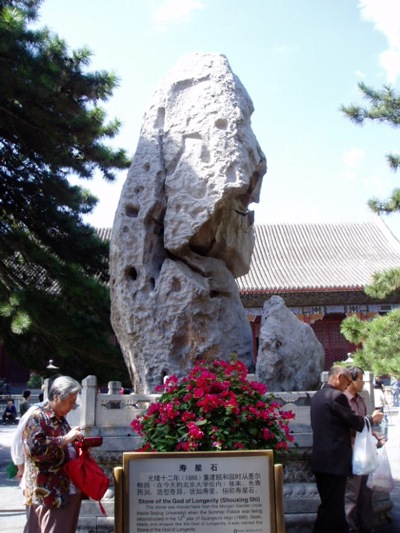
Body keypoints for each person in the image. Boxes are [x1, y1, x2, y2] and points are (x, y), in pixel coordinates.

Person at [311, 365, 384, 533]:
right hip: (335, 462)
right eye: (347, 381)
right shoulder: (336, 396)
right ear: (339, 377)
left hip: (320, 460)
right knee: (332, 508)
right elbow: (355, 422)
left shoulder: (317, 396)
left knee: (330, 505)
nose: (347, 385)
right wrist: (371, 419)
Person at [22, 376, 84, 533]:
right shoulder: (38, 417)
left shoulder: (60, 419)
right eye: (70, 401)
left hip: (64, 490)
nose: (72, 406)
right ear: (56, 397)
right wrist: (64, 440)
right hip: (49, 492)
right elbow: (35, 449)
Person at [344, 367, 385, 533]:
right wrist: (370, 420)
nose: (362, 383)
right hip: (352, 452)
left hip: (365, 453)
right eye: (360, 379)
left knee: (366, 494)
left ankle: (367, 527)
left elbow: (364, 426)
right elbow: (351, 425)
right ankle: (350, 528)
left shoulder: (360, 400)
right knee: (351, 495)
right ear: (351, 381)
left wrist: (374, 434)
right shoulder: (343, 401)